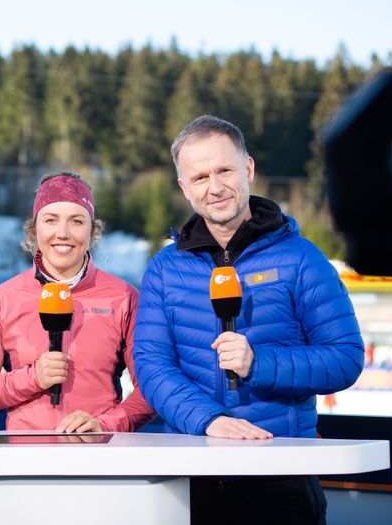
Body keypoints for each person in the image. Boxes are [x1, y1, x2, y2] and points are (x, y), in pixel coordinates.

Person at [133, 115, 364, 524]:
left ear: (249, 169)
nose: (215, 187)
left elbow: (345, 358)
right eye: (200, 177)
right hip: (190, 477)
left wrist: (260, 364)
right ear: (185, 189)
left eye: (225, 170)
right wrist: (209, 420)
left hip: (279, 478)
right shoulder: (165, 270)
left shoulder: (301, 258)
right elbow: (152, 367)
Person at [0, 172, 154, 433]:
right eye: (51, 220)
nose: (63, 233)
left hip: (100, 459)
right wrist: (32, 378)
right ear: (34, 228)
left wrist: (105, 425)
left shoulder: (124, 297)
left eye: (76, 221)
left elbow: (152, 391)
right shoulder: (4, 298)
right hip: (27, 462)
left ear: (92, 230)